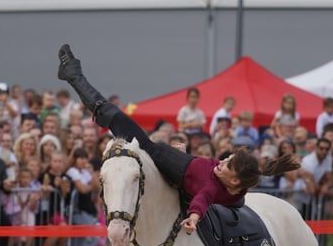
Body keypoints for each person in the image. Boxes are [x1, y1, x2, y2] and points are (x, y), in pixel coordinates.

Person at [56, 44, 298, 235]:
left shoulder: (214, 185)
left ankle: (74, 76)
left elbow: (202, 200)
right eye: (226, 159)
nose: (220, 163)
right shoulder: (228, 181)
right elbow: (211, 180)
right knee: (110, 116)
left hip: (168, 160)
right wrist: (184, 156)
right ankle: (74, 75)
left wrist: (193, 218)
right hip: (179, 164)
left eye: (227, 165)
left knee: (111, 115)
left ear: (234, 180)